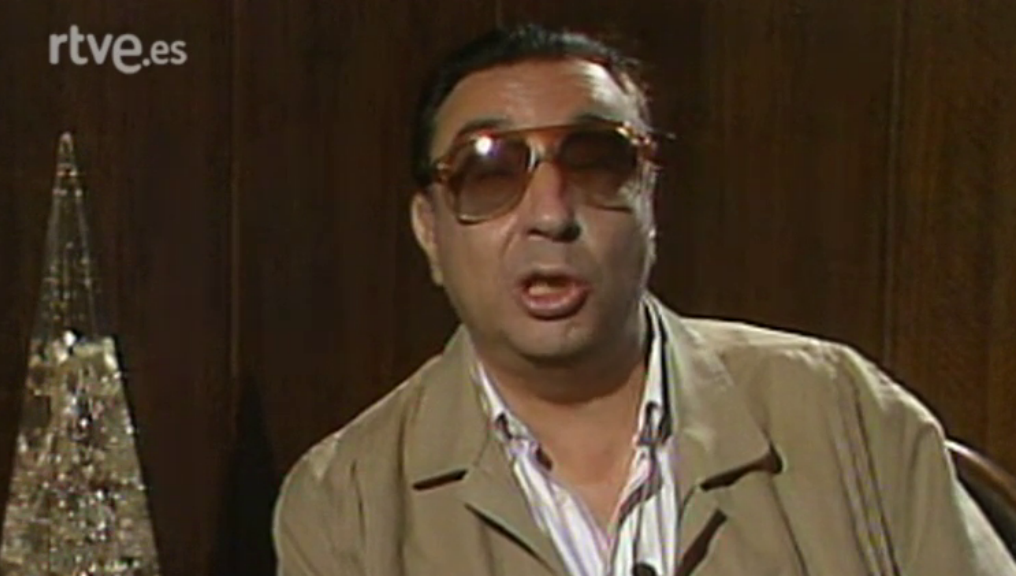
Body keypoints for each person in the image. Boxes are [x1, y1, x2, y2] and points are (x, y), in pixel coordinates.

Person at [272, 23, 1015, 576]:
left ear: (649, 200)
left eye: (597, 161)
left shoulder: (842, 413)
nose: (551, 214)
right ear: (429, 231)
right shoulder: (347, 503)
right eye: (490, 172)